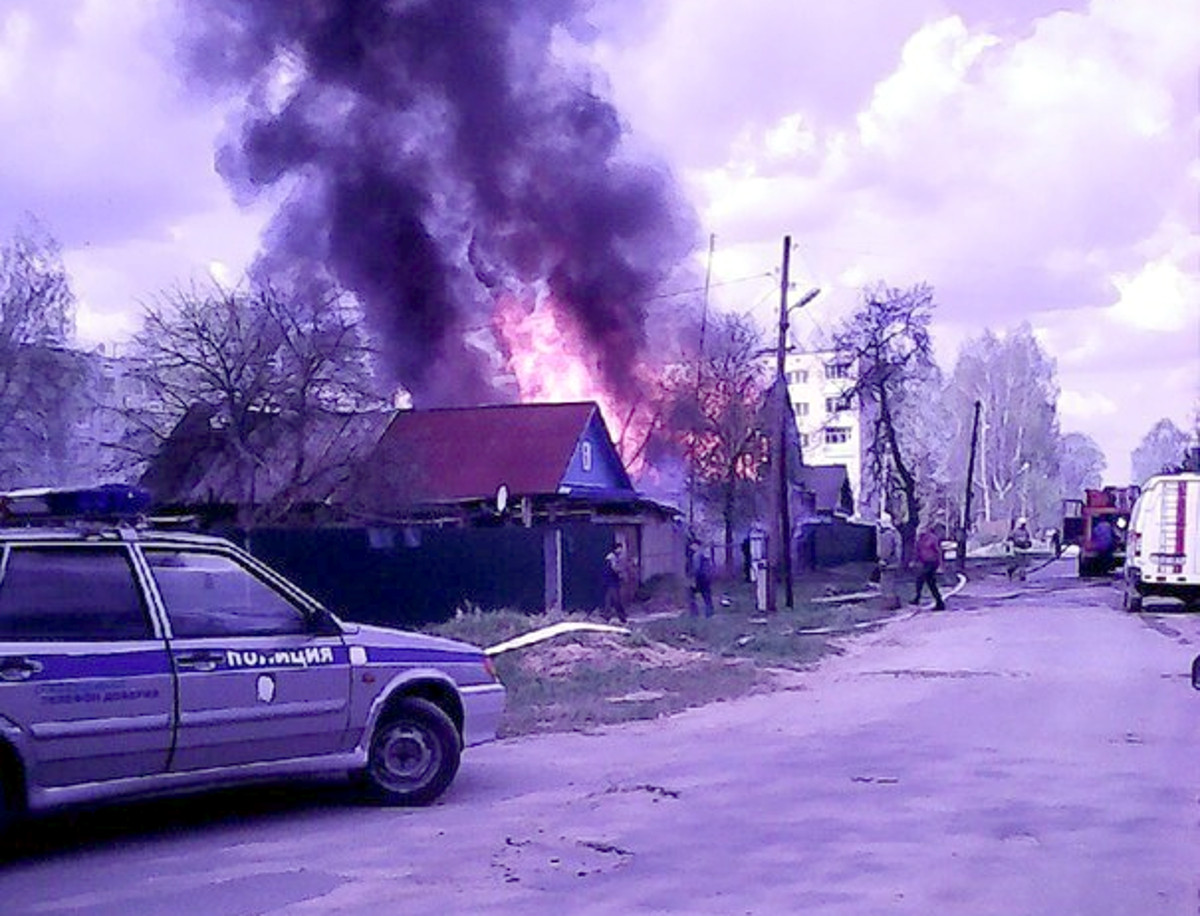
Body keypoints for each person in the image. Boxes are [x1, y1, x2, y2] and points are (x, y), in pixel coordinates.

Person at [911, 522, 946, 610]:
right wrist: (915, 561)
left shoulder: (932, 538)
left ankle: (917, 598)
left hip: (933, 562)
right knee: (930, 583)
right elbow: (917, 551)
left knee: (921, 577)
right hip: (925, 562)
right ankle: (939, 602)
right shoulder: (919, 540)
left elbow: (938, 552)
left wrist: (941, 565)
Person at [875, 513, 902, 611]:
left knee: (886, 584)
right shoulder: (896, 533)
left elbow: (886, 550)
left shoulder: (887, 535)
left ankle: (889, 604)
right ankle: (895, 602)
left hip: (888, 564)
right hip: (895, 562)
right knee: (893, 583)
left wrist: (883, 560)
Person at [601, 542, 628, 622]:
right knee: (616, 599)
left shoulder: (611, 557)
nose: (621, 550)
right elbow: (614, 569)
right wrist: (621, 572)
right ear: (616, 548)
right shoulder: (612, 557)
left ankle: (607, 616)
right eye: (620, 548)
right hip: (611, 581)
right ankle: (621, 617)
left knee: (609, 598)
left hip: (609, 580)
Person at [688, 538, 715, 618]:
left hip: (700, 577)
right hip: (706, 577)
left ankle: (694, 613)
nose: (691, 547)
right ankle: (709, 612)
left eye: (692, 545)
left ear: (696, 545)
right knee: (707, 595)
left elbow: (696, 568)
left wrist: (693, 579)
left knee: (691, 594)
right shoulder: (704, 553)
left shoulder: (696, 555)